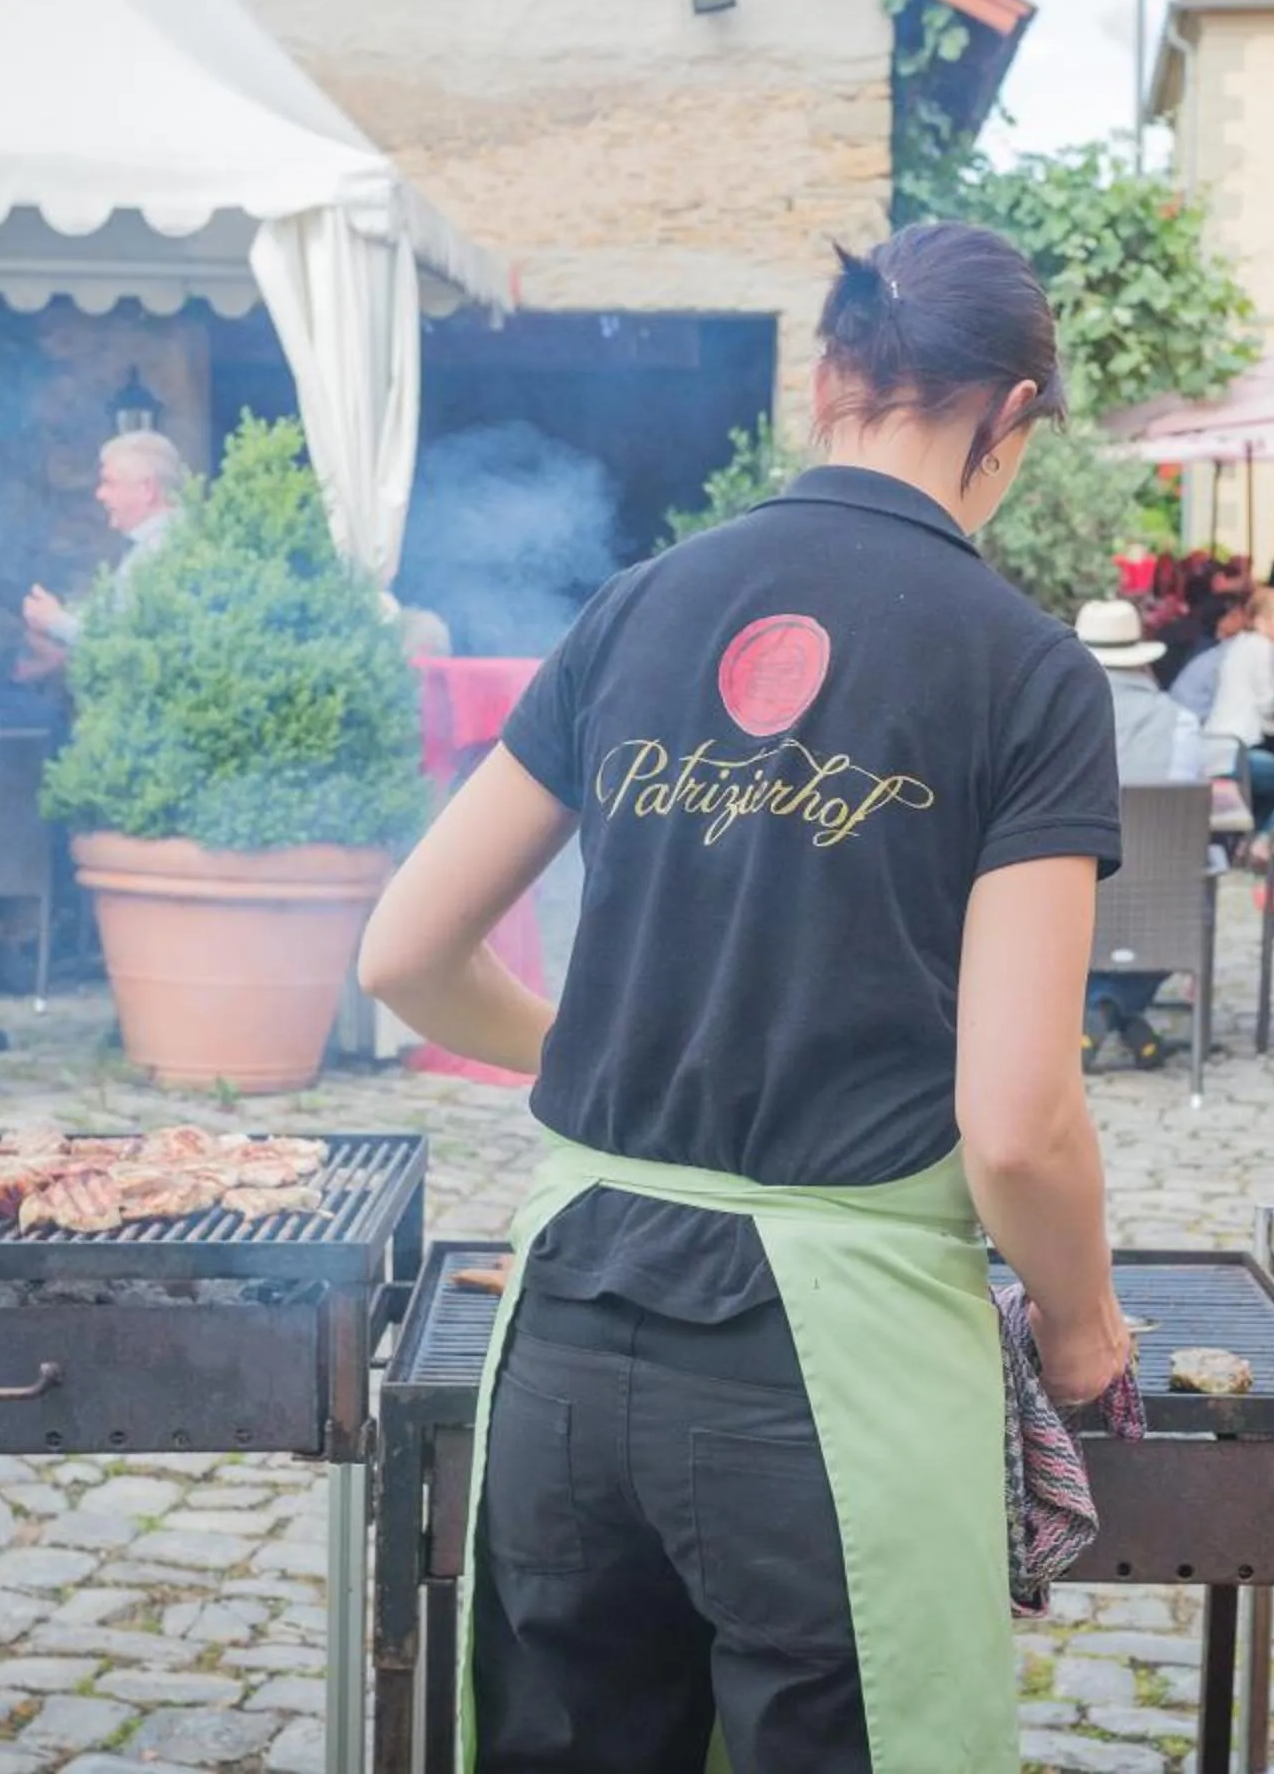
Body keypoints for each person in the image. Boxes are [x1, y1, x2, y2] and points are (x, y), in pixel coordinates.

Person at [357, 222, 1132, 1772]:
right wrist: (1084, 1322)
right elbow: (1017, 1123)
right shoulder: (1030, 673)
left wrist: (577, 1051)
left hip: (571, 1333)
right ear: (1014, 417)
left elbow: (406, 958)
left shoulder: (638, 605)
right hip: (829, 1385)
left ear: (828, 380)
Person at [1074, 597, 1199, 1071]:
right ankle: (1115, 1011)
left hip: (1071, 886)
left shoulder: (1044, 715)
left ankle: (1097, 1008)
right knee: (1194, 882)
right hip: (1158, 898)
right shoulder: (1179, 721)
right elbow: (1183, 802)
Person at [17, 426, 186, 679]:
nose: (99, 494)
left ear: (147, 490)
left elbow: (126, 647)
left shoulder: (160, 550)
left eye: (109, 483)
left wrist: (55, 621)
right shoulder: (160, 542)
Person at [1206, 583, 1274, 818]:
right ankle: (1265, 841)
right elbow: (1268, 706)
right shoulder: (1262, 646)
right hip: (1239, 756)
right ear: (1261, 621)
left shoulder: (1242, 644)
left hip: (1218, 750)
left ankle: (1255, 839)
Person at [1163, 591, 1247, 709]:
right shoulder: (1208, 652)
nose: (1242, 619)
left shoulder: (1220, 646)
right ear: (1220, 620)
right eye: (1234, 615)